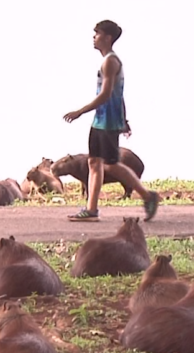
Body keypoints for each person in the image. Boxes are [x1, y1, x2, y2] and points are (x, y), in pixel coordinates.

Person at [63, 20, 160, 222]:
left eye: (96, 33)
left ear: (107, 37)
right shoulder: (107, 60)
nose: (93, 37)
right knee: (94, 163)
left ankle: (147, 195)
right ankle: (91, 210)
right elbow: (119, 94)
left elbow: (106, 94)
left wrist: (80, 111)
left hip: (106, 122)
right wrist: (124, 119)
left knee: (111, 165)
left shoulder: (110, 61)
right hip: (101, 120)